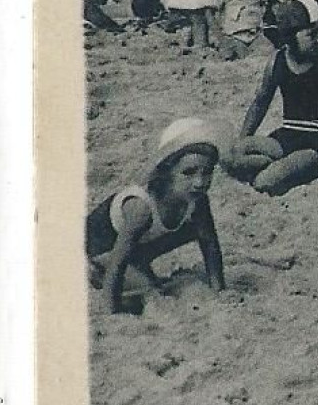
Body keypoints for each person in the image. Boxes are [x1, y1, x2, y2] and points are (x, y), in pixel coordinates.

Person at [228, 0, 318, 195]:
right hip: (288, 135)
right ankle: (270, 163)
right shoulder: (277, 61)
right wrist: (243, 140)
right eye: (312, 34)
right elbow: (260, 103)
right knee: (230, 155)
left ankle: (272, 167)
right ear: (290, 38)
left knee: (265, 182)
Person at [87, 118, 225, 315]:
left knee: (198, 227)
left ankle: (136, 269)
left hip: (137, 250)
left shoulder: (197, 199)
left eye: (207, 172)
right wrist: (112, 311)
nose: (200, 182)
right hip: (99, 248)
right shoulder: (142, 206)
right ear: (168, 172)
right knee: (150, 291)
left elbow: (210, 244)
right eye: (189, 173)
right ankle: (96, 271)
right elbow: (118, 261)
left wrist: (218, 290)